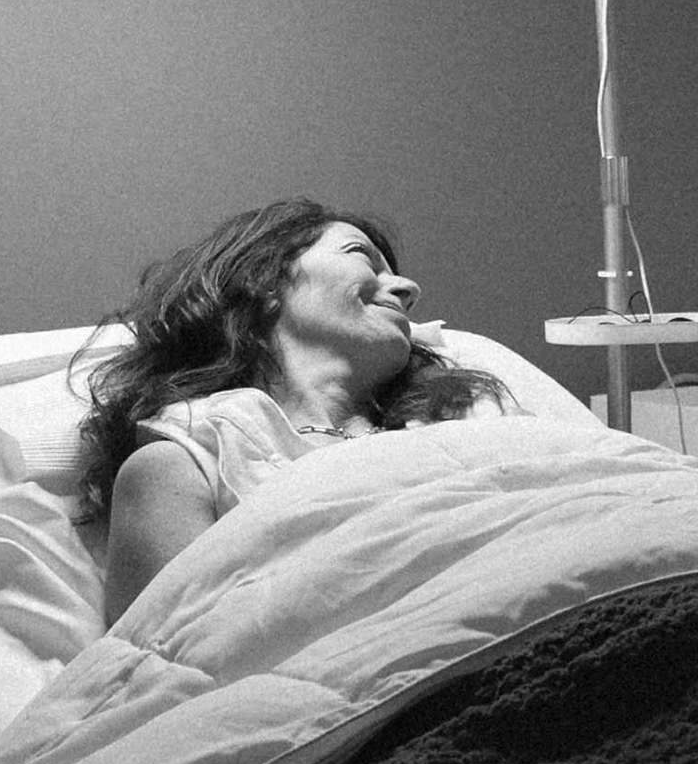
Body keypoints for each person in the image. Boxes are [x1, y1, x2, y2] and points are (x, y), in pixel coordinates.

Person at [79, 198, 508, 624]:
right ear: (264, 281)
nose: (409, 288)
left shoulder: (464, 422)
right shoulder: (185, 463)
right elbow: (169, 648)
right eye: (362, 256)